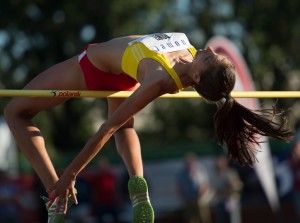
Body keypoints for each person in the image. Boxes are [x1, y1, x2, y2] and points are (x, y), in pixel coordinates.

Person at [3, 32, 294, 223]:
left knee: (15, 112)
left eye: (207, 56)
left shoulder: (159, 78)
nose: (205, 48)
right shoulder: (187, 59)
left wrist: (70, 175)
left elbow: (104, 128)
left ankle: (55, 194)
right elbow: (116, 125)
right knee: (125, 128)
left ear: (196, 74)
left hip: (92, 68)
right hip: (124, 75)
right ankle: (137, 183)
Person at [177, 153, 213, 223]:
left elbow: (205, 184)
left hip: (200, 199)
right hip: (188, 199)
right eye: (187, 162)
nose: (188, 164)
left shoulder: (200, 171)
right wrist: (183, 196)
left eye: (190, 162)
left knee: (204, 217)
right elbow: (179, 186)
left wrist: (200, 195)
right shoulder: (182, 173)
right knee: (191, 218)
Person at [210, 155, 243, 223]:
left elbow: (237, 186)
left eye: (221, 161)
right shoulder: (214, 175)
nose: (218, 163)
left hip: (231, 200)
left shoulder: (231, 173)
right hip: (220, 201)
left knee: (233, 220)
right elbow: (215, 188)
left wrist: (232, 187)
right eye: (218, 161)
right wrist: (224, 189)